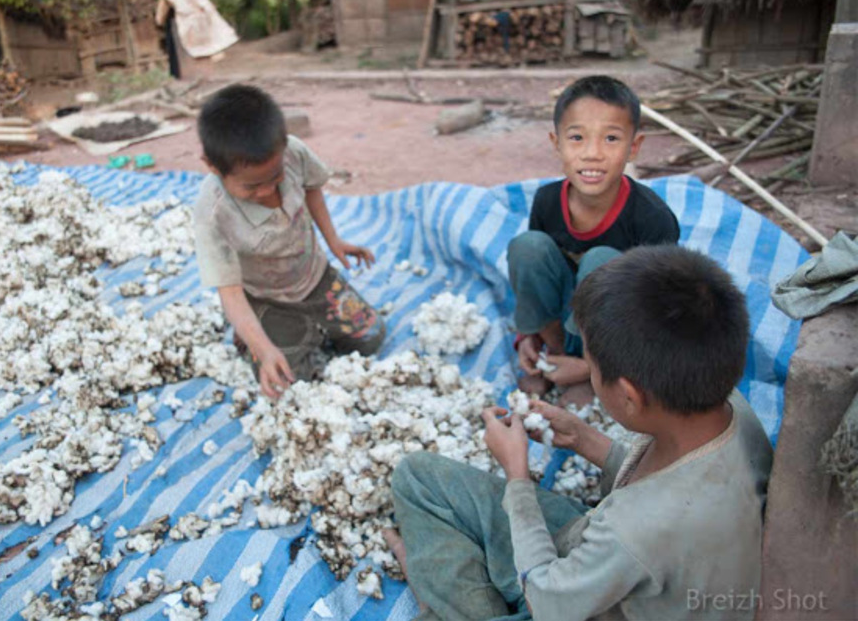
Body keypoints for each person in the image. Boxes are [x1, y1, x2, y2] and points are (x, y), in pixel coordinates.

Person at [387, 245, 773, 621]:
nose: (586, 372)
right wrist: (585, 440)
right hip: (618, 565)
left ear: (628, 396)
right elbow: (660, 484)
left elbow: (550, 603)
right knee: (419, 476)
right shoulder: (731, 410)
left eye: (588, 364)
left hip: (570, 601)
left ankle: (443, 597)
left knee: (420, 503)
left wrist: (518, 479)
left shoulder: (633, 531)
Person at [193, 84, 384, 398]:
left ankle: (305, 326)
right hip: (266, 298)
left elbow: (312, 188)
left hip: (315, 277)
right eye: (252, 187)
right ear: (213, 167)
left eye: (276, 177)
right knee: (290, 382)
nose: (268, 191)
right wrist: (263, 349)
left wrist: (333, 241)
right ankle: (254, 336)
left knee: (372, 337)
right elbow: (229, 292)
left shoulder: (293, 152)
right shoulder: (212, 214)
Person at [507, 75, 679, 403]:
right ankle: (552, 358)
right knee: (527, 246)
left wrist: (592, 367)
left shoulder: (653, 219)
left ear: (635, 147)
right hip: (561, 317)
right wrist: (528, 335)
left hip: (614, 331)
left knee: (602, 261)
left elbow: (655, 311)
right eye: (576, 138)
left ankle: (591, 371)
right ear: (556, 143)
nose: (592, 154)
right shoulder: (546, 200)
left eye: (611, 138)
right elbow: (535, 273)